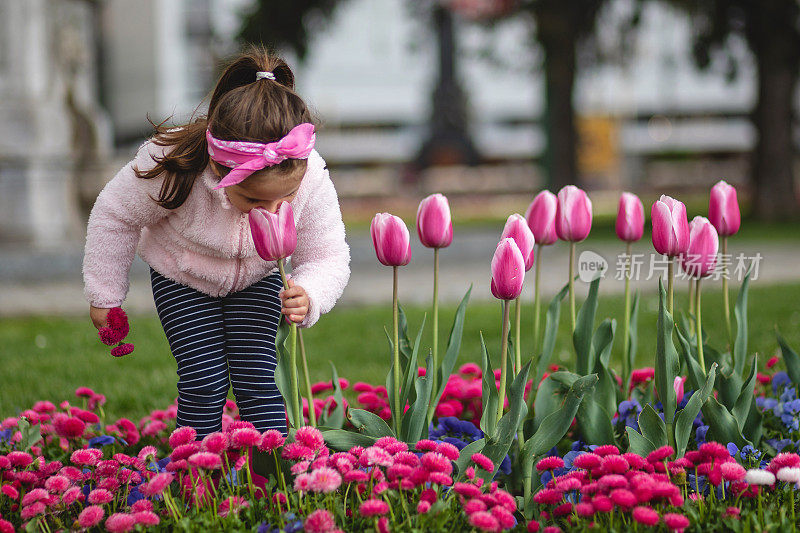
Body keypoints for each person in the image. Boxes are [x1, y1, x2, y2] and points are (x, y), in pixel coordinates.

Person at [82, 46, 350, 438]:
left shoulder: (309, 177)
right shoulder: (174, 164)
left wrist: (310, 292)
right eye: (253, 200)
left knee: (257, 379)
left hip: (259, 277)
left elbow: (328, 252)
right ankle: (196, 480)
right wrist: (104, 294)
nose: (271, 210)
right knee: (202, 381)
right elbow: (114, 213)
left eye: (283, 200)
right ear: (216, 164)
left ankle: (272, 478)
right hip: (183, 278)